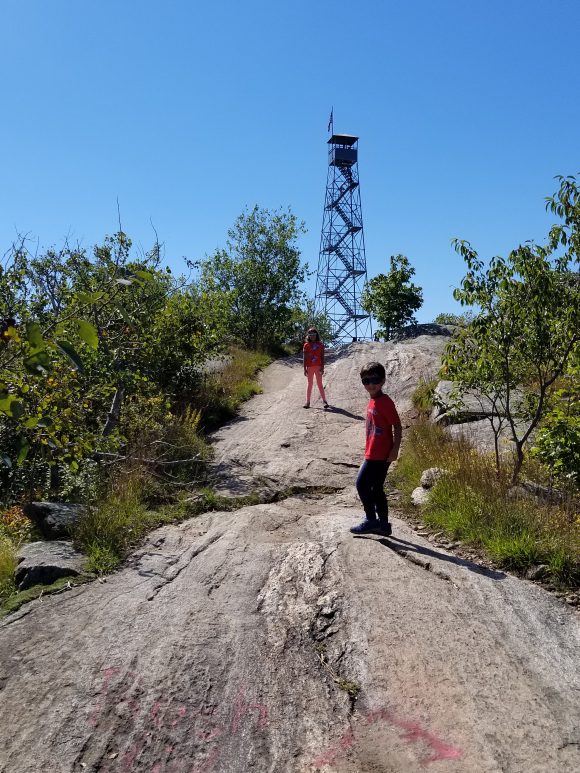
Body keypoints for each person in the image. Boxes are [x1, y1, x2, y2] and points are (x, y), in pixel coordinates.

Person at [350, 361, 402, 535]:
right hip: (373, 451)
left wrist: (395, 449)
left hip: (380, 454)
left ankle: (372, 520)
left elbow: (398, 425)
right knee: (376, 488)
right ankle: (384, 525)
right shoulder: (373, 401)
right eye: (366, 381)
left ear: (383, 380)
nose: (371, 384)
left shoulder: (385, 402)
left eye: (375, 380)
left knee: (361, 484)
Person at [303, 327, 329, 410]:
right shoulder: (306, 345)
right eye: (310, 335)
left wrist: (322, 367)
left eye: (313, 334)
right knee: (309, 384)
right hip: (309, 367)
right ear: (308, 336)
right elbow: (305, 358)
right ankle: (307, 402)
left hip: (318, 366)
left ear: (316, 335)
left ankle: (324, 401)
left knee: (319, 384)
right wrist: (304, 368)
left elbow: (322, 356)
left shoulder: (320, 345)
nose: (312, 336)